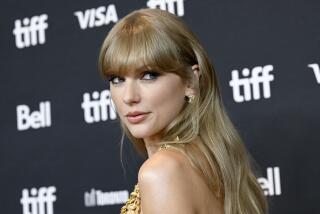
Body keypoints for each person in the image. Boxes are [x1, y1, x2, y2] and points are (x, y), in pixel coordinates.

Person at [98, 8, 268, 214]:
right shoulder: (213, 163)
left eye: (149, 75)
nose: (128, 96)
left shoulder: (161, 172)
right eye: (117, 79)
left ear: (190, 81)